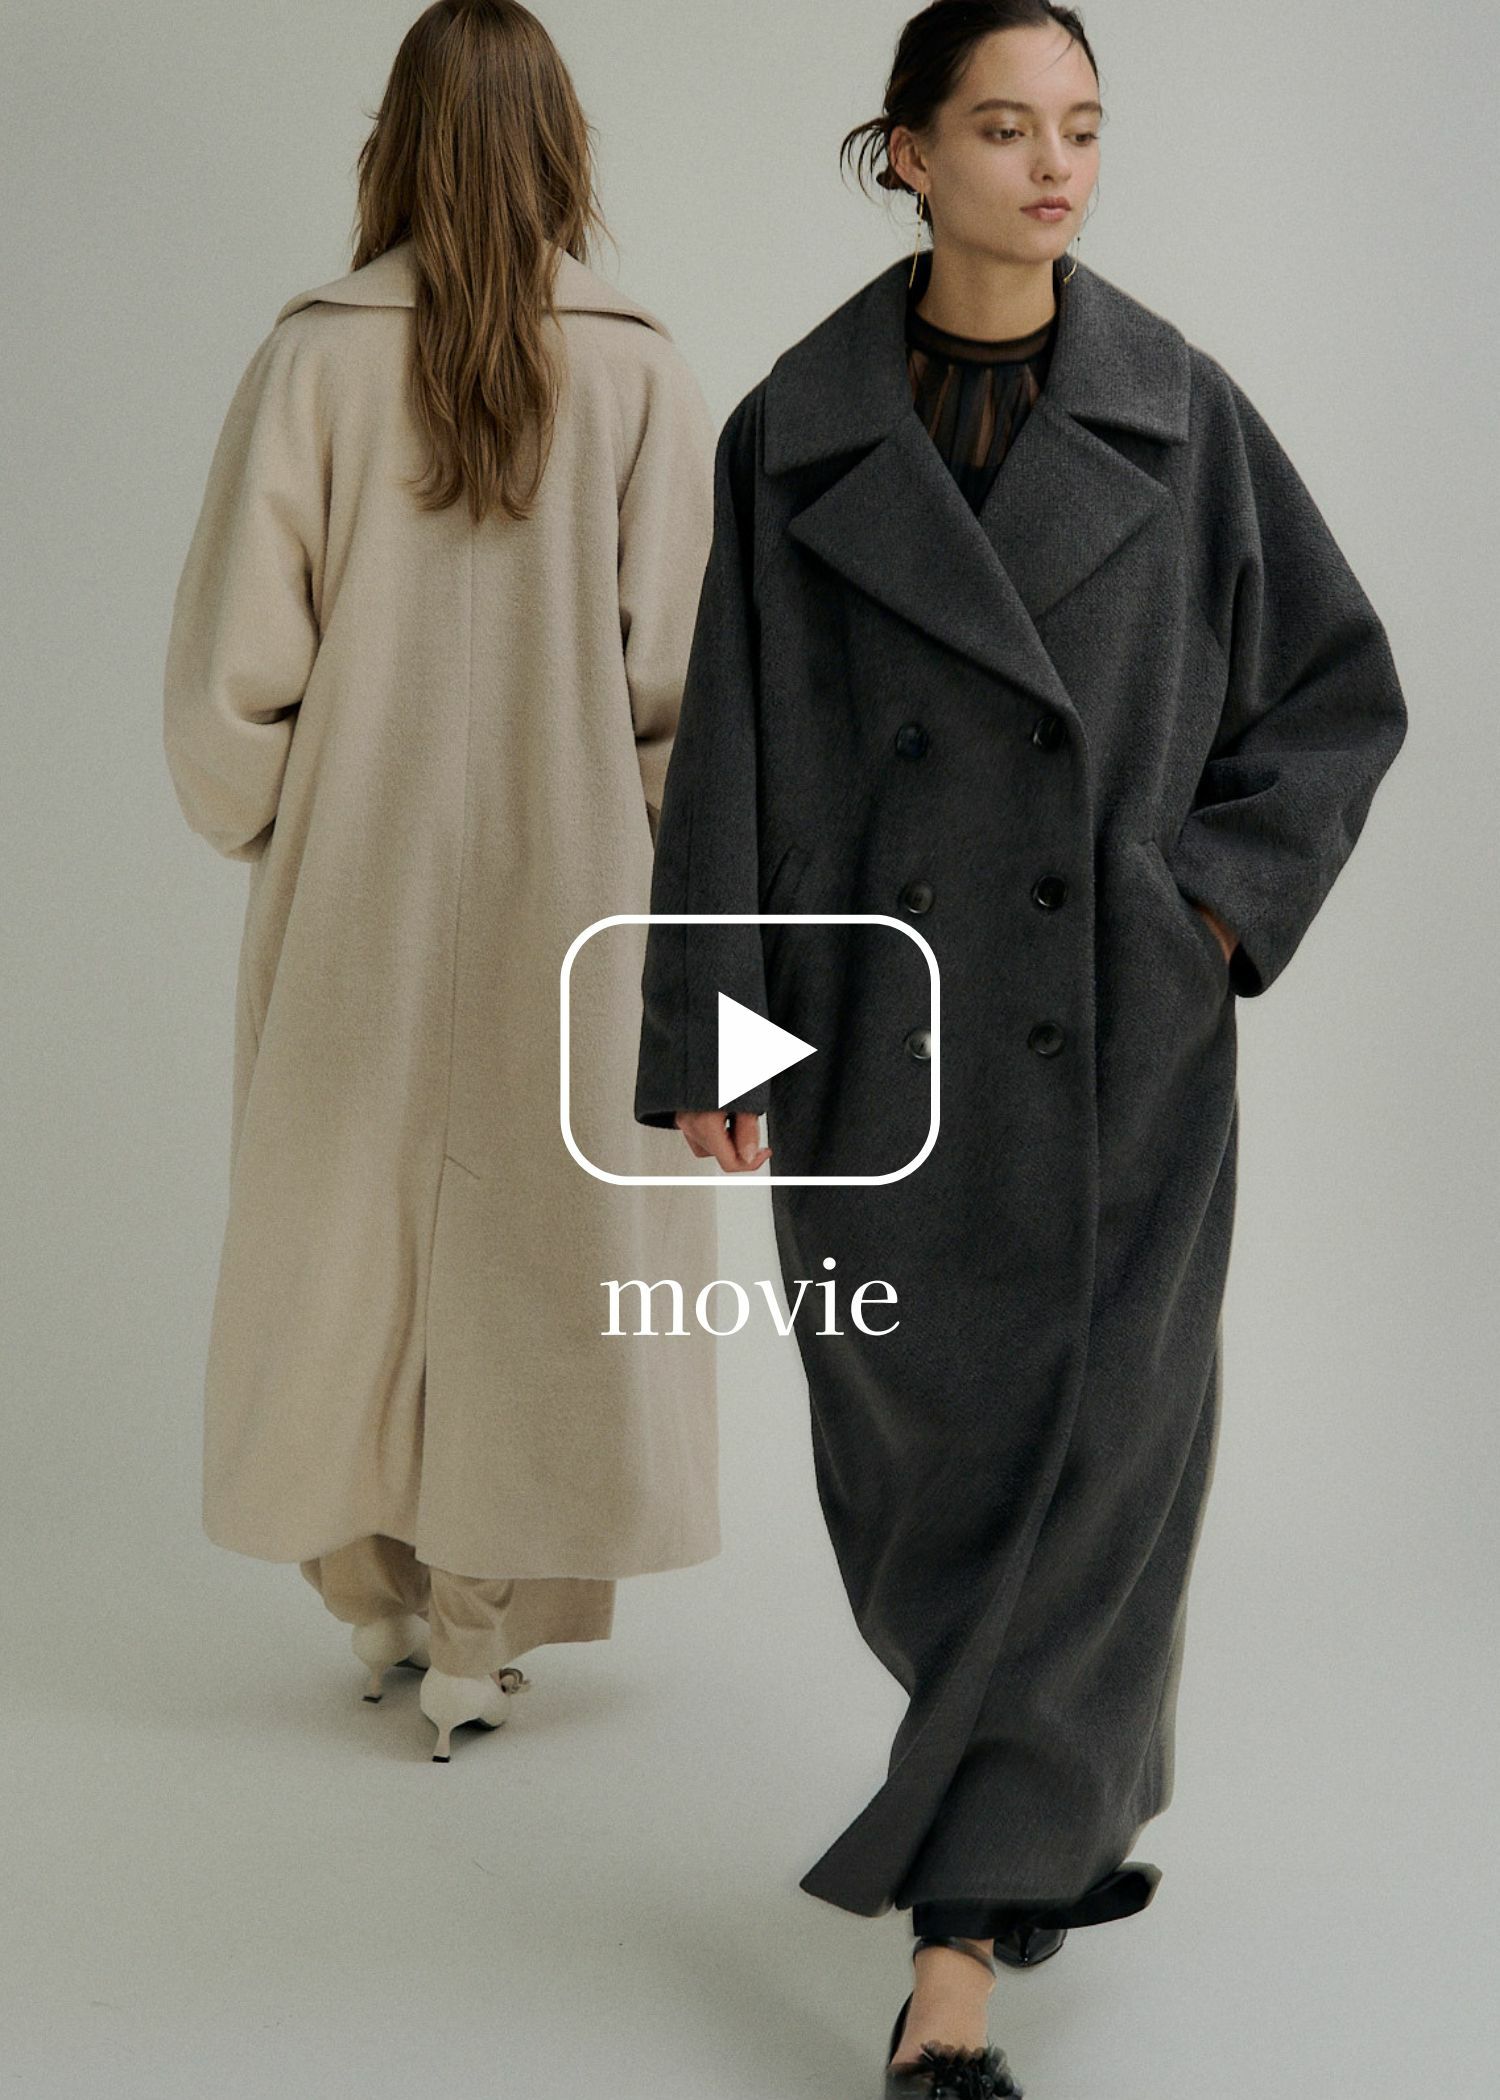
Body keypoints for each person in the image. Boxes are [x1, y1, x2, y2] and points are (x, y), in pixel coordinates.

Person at [632, 3, 1408, 2091]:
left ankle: (954, 1957)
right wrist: (719, 1036)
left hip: (1123, 1055)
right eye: (1002, 126)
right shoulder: (795, 429)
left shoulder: (1184, 413)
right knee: (925, 1489)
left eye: (1081, 125)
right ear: (905, 153)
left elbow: (1339, 692)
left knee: (1106, 1480)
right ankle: (1033, 1814)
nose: (1054, 164)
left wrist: (1209, 910)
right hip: (879, 1046)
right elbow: (737, 755)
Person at [162, 0, 724, 1764]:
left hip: (357, 889)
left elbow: (227, 692)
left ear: (392, 143)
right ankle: (485, 1632)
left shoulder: (312, 364)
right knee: (555, 1247)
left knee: (342, 1236)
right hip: (590, 898)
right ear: (564, 148)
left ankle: (377, 1596)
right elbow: (687, 699)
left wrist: (288, 820)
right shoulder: (639, 374)